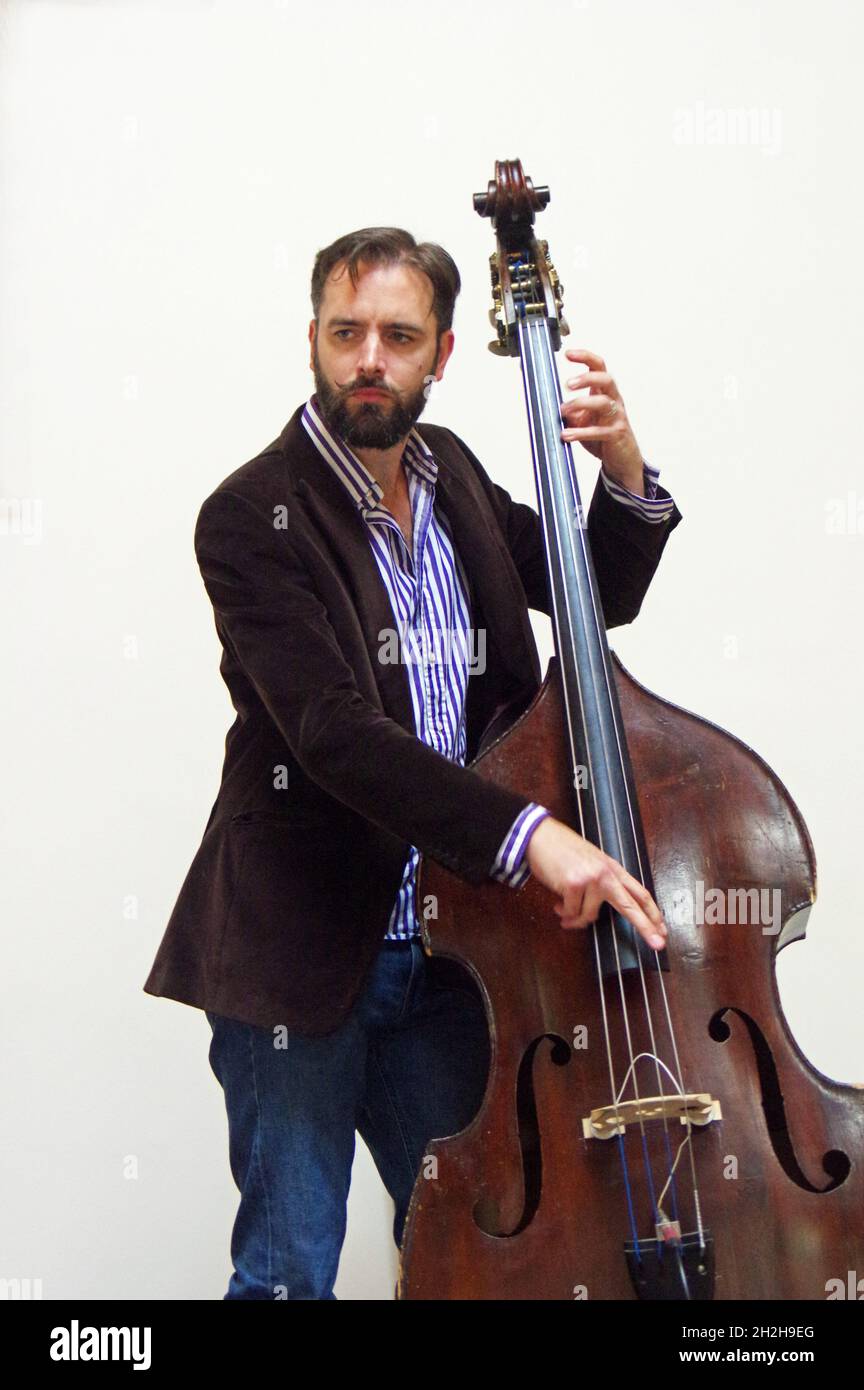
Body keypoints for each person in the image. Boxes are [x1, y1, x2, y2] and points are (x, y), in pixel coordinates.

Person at [143, 226, 683, 1300]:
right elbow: (332, 731)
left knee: (476, 1257)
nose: (368, 361)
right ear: (312, 342)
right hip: (300, 954)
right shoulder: (253, 516)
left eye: (397, 335)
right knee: (293, 1271)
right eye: (346, 334)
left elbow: (595, 598)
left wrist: (621, 466)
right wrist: (531, 836)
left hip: (450, 955)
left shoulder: (457, 478)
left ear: (440, 354)